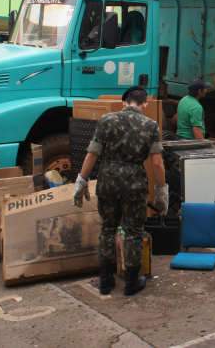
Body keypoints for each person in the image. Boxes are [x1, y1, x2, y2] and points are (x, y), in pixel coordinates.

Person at [73, 86, 168, 296]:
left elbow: (92, 153)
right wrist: (162, 191)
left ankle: (105, 281)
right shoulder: (151, 125)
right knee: (134, 231)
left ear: (123, 102)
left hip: (108, 179)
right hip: (134, 183)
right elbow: (157, 163)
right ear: (145, 104)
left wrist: (81, 181)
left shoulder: (107, 120)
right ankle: (131, 283)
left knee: (107, 228)